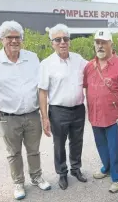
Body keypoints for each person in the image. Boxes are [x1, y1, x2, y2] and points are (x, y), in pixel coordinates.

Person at [0, 21, 51, 200]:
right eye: (10, 37)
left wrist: (44, 116)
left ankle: (36, 177)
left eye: (17, 37)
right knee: (13, 153)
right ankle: (18, 182)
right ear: (2, 39)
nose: (14, 41)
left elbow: (41, 88)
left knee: (34, 150)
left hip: (32, 114)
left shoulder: (32, 57)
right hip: (8, 118)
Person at [83, 29, 118, 193]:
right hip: (95, 114)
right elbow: (87, 88)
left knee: (116, 147)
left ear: (111, 44)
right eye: (97, 42)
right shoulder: (89, 66)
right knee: (101, 144)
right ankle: (106, 167)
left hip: (116, 116)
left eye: (103, 42)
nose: (100, 46)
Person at [38, 24, 88, 190]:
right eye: (57, 39)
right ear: (52, 43)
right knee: (59, 144)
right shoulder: (47, 64)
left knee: (77, 142)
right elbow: (43, 92)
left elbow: (95, 69)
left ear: (69, 41)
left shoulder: (79, 59)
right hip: (58, 111)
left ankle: (76, 169)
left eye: (65, 39)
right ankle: (62, 173)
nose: (62, 42)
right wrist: (44, 117)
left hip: (79, 109)